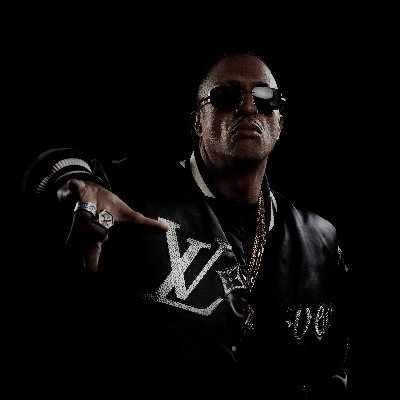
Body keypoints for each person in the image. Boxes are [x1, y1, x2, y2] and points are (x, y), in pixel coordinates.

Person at [21, 50, 350, 399]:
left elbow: (332, 365)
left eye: (265, 97)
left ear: (280, 122)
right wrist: (76, 184)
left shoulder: (319, 238)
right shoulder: (137, 193)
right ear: (197, 122)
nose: (248, 107)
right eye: (226, 96)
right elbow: (57, 169)